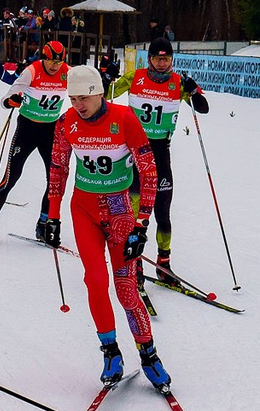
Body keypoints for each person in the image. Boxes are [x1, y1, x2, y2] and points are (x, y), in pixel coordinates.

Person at [45, 65, 168, 389]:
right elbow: (58, 168)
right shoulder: (66, 122)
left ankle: (149, 354)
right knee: (96, 282)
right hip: (83, 210)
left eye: (84, 98)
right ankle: (110, 351)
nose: (78, 105)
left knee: (126, 288)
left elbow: (149, 171)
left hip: (119, 211)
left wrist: (142, 224)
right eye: (73, 99)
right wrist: (52, 215)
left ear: (99, 92)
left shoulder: (124, 118)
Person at [111, 40, 209, 280]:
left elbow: (203, 108)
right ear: (150, 59)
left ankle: (164, 263)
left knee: (162, 210)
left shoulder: (178, 83)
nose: (162, 63)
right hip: (135, 151)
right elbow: (105, 94)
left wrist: (193, 91)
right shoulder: (135, 77)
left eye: (166, 59)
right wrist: (106, 79)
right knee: (135, 210)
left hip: (161, 153)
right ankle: (134, 262)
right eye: (157, 58)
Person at [0, 39, 71, 249]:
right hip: (27, 129)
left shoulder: (67, 72)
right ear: (44, 58)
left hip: (51, 131)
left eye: (59, 62)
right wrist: (11, 100)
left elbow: (83, 91)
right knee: (11, 177)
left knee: (54, 180)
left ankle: (43, 224)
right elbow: (6, 98)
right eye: (51, 61)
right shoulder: (32, 71)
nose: (55, 66)